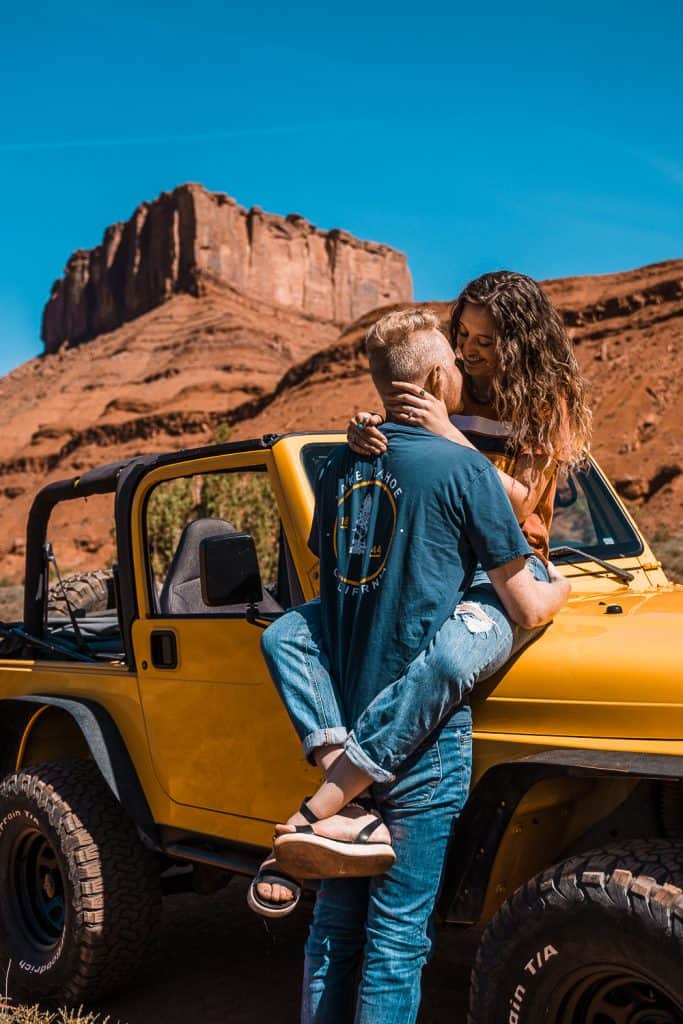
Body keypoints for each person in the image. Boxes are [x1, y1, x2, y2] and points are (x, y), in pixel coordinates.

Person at [251, 309, 571, 1023]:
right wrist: (561, 587)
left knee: (334, 933)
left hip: (350, 719)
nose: (462, 371)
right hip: (424, 748)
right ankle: (333, 803)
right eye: (455, 365)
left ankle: (337, 796)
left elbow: (341, 579)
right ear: (433, 379)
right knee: (396, 942)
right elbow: (521, 605)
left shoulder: (339, 465)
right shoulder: (462, 468)